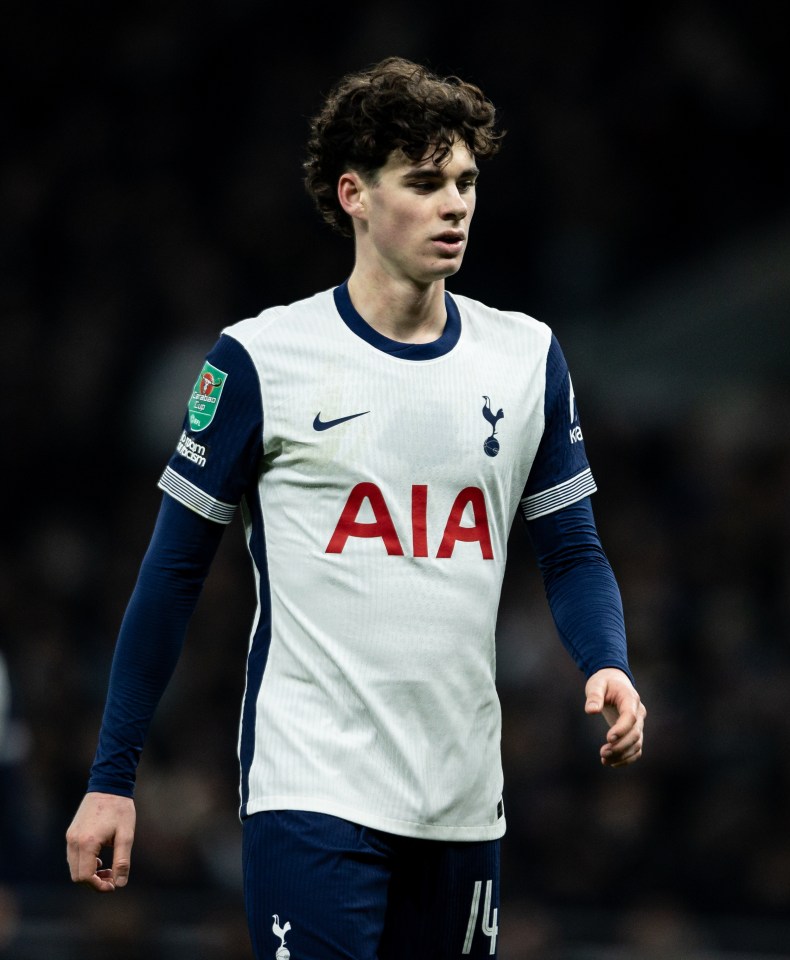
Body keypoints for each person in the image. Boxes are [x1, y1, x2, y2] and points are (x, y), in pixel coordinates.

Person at [66, 56, 646, 958]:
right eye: (424, 183)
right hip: (312, 793)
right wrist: (113, 777)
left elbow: (572, 551)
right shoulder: (261, 359)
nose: (454, 204)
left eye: (466, 182)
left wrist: (605, 662)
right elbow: (173, 575)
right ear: (356, 197)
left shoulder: (527, 358)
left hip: (461, 803)